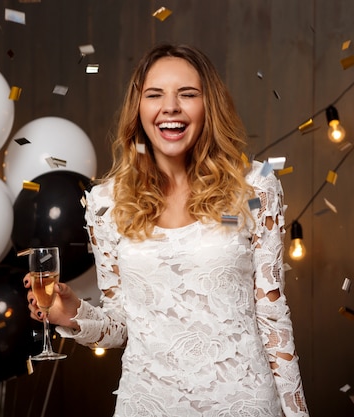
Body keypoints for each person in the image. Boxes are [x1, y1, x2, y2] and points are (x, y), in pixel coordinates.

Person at [25, 43, 309, 417]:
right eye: (154, 94)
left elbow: (272, 315)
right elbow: (120, 325)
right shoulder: (107, 203)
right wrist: (71, 313)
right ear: (138, 109)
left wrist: (297, 413)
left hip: (244, 404)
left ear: (209, 107)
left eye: (187, 94)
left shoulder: (255, 187)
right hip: (146, 405)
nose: (170, 106)